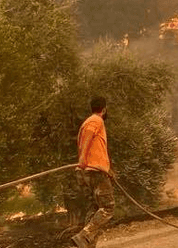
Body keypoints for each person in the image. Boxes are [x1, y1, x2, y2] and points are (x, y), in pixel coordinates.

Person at [71, 97, 114, 248]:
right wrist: (83, 158)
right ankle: (84, 236)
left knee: (94, 208)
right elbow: (89, 136)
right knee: (108, 208)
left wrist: (108, 170)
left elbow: (92, 147)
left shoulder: (85, 123)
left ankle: (87, 245)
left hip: (86, 172)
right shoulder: (96, 120)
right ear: (104, 109)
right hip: (94, 170)